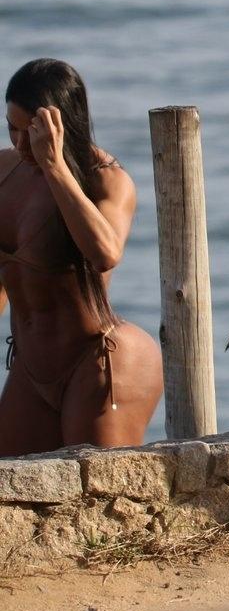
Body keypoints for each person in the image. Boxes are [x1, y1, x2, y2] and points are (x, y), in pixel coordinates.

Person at [0, 59, 162, 456]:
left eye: (31, 131)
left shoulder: (106, 179)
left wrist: (55, 166)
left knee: (102, 497)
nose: (22, 145)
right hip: (31, 365)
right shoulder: (5, 171)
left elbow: (105, 253)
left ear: (60, 124)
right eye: (12, 128)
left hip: (96, 362)